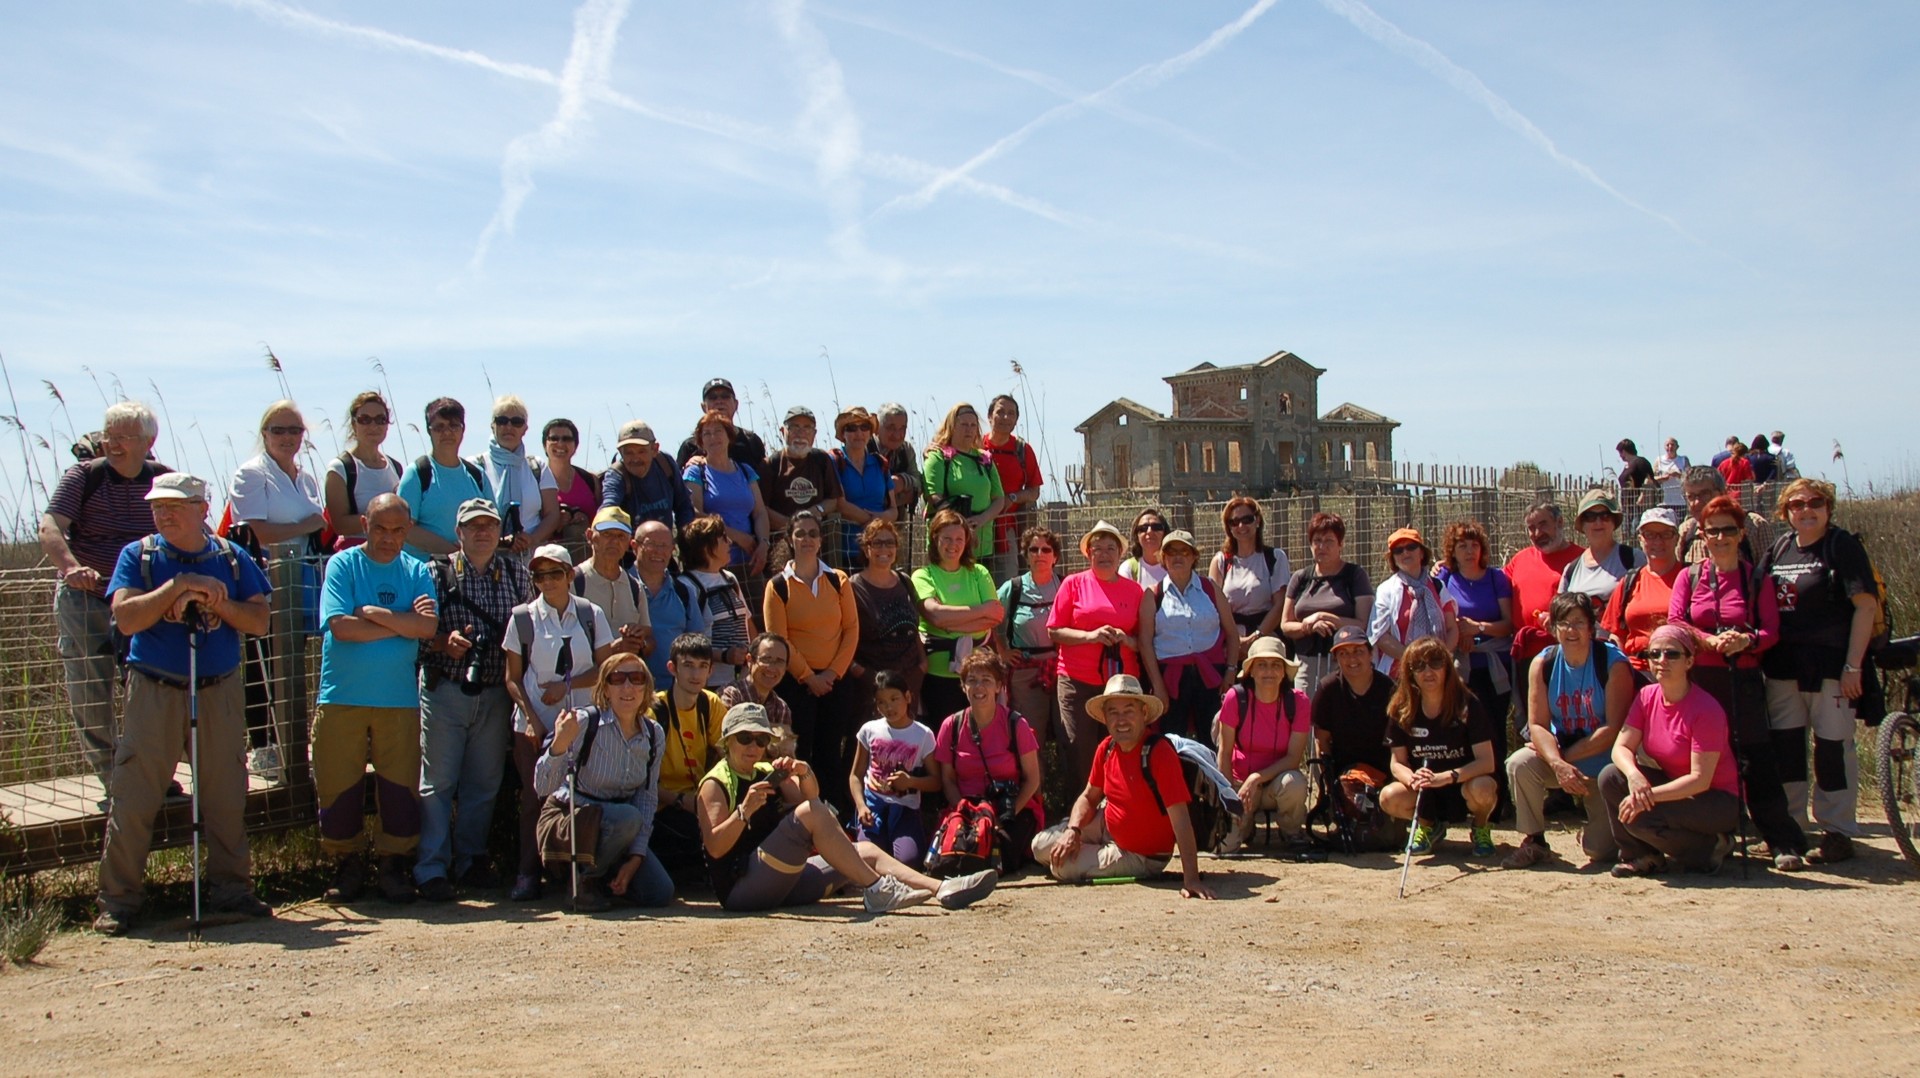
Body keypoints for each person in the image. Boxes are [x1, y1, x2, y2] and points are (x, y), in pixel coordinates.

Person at [92, 473, 274, 935]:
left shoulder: (232, 558)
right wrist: (178, 587)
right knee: (134, 796)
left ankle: (233, 888)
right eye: (157, 507)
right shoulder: (138, 556)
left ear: (201, 508)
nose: (164, 515)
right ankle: (118, 900)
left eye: (174, 506)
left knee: (226, 794)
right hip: (154, 689)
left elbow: (258, 620)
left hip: (218, 689)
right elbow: (126, 617)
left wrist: (216, 604)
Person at [696, 702, 995, 913]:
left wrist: (803, 773)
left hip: (782, 881)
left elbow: (809, 801)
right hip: (741, 890)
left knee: (865, 851)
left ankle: (940, 888)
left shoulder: (764, 770)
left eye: (761, 739)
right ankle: (877, 890)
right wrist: (744, 811)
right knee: (813, 815)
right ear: (727, 742)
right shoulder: (716, 782)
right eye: (745, 738)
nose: (753, 746)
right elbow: (715, 847)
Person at [1667, 495, 1806, 871]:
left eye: (1728, 530)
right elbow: (1676, 621)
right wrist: (1706, 641)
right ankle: (1713, 833)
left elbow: (1771, 630)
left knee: (1756, 758)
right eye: (1713, 531)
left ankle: (1780, 839)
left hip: (1742, 679)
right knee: (1704, 757)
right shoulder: (1689, 577)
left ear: (1741, 533)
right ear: (1702, 535)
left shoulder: (1756, 579)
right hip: (1700, 681)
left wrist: (1747, 640)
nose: (1720, 538)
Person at [313, 493, 439, 903]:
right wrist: (403, 623)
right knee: (338, 784)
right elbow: (341, 628)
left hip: (399, 700)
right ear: (365, 525)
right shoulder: (342, 565)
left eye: (397, 530)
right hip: (341, 696)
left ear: (408, 530)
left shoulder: (416, 570)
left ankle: (393, 866)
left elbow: (428, 629)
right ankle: (345, 864)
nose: (388, 538)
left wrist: (373, 613)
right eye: (380, 528)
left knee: (400, 788)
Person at [40, 400, 171, 788]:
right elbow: (50, 526)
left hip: (142, 602)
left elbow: (191, 530)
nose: (112, 444)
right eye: (109, 436)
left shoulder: (163, 480)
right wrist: (71, 568)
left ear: (148, 441)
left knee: (149, 689)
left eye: (124, 437)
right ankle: (115, 780)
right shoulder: (84, 477)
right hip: (88, 597)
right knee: (91, 692)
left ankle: (150, 774)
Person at [414, 498, 530, 901]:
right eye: (473, 526)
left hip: (497, 692)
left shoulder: (516, 573)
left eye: (490, 525)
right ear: (458, 532)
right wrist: (443, 643)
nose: (483, 532)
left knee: (484, 783)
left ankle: (471, 860)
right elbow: (415, 632)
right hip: (445, 688)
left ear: (499, 532)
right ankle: (431, 868)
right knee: (438, 782)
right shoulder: (434, 572)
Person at [1760, 477, 1880, 864]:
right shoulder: (1780, 548)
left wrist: (1853, 666)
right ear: (1785, 512)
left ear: (1828, 508)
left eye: (1815, 502)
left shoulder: (1841, 546)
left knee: (1832, 748)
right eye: (1797, 504)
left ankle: (1837, 830)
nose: (1806, 510)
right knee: (1787, 749)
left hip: (1831, 668)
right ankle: (1791, 829)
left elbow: (1865, 606)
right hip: (1784, 669)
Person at [1030, 674, 1215, 899]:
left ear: (1143, 713)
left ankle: (1089, 855)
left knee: (1062, 867)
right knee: (1039, 846)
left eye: (1128, 711)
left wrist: (1191, 879)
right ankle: (1087, 850)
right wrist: (1073, 830)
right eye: (1113, 712)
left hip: (1142, 855)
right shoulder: (1107, 747)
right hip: (1108, 827)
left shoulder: (1160, 753)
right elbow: (1089, 797)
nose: (1121, 720)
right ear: (1105, 718)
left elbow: (1181, 820)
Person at [502, 543, 615, 900]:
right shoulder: (522, 618)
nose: (547, 581)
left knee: (582, 797)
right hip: (534, 726)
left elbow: (605, 669)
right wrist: (532, 719)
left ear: (569, 575)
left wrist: (566, 686)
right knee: (535, 798)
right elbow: (512, 678)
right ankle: (528, 872)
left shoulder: (590, 614)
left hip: (583, 725)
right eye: (539, 575)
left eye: (554, 573)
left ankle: (575, 876)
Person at [532, 654, 675, 911]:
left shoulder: (654, 734)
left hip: (623, 825)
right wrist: (559, 745)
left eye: (636, 678)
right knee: (627, 817)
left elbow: (647, 797)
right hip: (573, 818)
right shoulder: (585, 721)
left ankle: (607, 878)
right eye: (617, 679)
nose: (627, 687)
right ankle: (583, 882)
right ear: (605, 688)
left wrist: (636, 857)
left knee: (659, 893)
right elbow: (542, 788)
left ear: (647, 688)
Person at [1599, 625, 1742, 876]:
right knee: (1611, 776)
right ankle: (1642, 856)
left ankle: (1711, 848)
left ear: (1689, 661)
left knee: (1643, 817)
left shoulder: (1706, 709)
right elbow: (1621, 747)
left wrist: (1646, 797)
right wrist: (1634, 776)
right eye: (1654, 654)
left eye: (1672, 654)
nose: (1661, 660)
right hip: (1677, 788)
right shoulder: (1646, 696)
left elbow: (1700, 780)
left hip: (1716, 800)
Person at [1501, 593, 1631, 868]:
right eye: (1564, 623)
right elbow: (1537, 725)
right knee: (1519, 763)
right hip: (1561, 759)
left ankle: (1594, 833)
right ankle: (1534, 841)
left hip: (1603, 768)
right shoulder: (1543, 663)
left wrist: (1564, 760)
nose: (1571, 630)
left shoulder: (1612, 663)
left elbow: (1613, 728)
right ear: (1553, 628)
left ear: (1591, 627)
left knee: (1599, 852)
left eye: (1579, 622)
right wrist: (1557, 764)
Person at [760, 508, 859, 787]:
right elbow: (779, 640)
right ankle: (801, 807)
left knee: (831, 752)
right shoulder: (777, 587)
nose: (807, 539)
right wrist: (809, 677)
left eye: (813, 533)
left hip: (835, 682)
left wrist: (831, 674)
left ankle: (832, 807)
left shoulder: (838, 580)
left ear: (821, 540)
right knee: (800, 753)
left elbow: (851, 629)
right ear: (790, 539)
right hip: (796, 685)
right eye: (800, 533)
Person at [1380, 636, 1498, 858]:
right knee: (1389, 797)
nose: (1428, 671)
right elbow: (1397, 762)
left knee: (1483, 788)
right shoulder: (1401, 708)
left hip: (1462, 783)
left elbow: (1486, 762)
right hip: (1424, 789)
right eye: (1419, 666)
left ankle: (1481, 827)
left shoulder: (1467, 704)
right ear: (1410, 673)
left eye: (1435, 663)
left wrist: (1445, 777)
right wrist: (1412, 779)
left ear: (1447, 667)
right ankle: (1428, 826)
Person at [1049, 520, 1147, 782]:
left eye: (1110, 548)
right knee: (1078, 746)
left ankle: (1119, 800)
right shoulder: (1073, 584)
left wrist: (1125, 639)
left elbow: (1144, 641)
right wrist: (1090, 636)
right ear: (1088, 553)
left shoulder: (1135, 591)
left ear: (1120, 553)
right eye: (1098, 549)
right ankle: (1082, 803)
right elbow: (1054, 631)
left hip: (1121, 684)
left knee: (1122, 744)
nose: (1104, 554)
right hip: (1076, 681)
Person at [932, 651, 1045, 869]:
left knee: (997, 854)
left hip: (1010, 809)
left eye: (986, 680)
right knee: (956, 853)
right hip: (966, 809)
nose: (979, 687)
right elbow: (948, 780)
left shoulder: (1016, 724)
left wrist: (1003, 817)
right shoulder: (951, 725)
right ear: (963, 686)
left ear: (999, 686)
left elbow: (1032, 780)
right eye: (972, 680)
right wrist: (965, 813)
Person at [1139, 528, 1238, 743]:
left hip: (1211, 676)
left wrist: (1230, 671)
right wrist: (1158, 685)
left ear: (1194, 556)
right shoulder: (1153, 594)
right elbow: (1145, 643)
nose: (1177, 557)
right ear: (1163, 558)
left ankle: (1211, 768)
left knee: (1213, 738)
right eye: (1171, 552)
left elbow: (1231, 633)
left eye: (1184, 552)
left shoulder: (1211, 589)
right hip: (1170, 679)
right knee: (1171, 740)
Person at [1214, 638, 1310, 854]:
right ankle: (1244, 828)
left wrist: (1255, 778)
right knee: (1227, 847)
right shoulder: (1235, 698)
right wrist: (1228, 797)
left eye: (1276, 665)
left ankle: (1292, 831)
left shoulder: (1299, 702)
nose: (1269, 671)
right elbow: (1225, 752)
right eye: (1262, 665)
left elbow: (1293, 758)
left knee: (1295, 782)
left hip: (1276, 783)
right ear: (1251, 671)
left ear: (1284, 672)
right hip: (1240, 785)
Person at [912, 507, 1002, 723]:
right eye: (947, 538)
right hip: (938, 675)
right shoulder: (923, 576)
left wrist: (951, 624)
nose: (953, 544)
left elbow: (996, 615)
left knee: (980, 730)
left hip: (979, 674)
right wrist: (981, 611)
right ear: (935, 539)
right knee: (944, 732)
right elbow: (935, 616)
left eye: (959, 539)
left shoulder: (978, 572)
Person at [648, 633, 727, 874]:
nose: (696, 674)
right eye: (688, 665)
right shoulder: (654, 711)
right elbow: (641, 781)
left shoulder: (711, 703)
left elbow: (728, 758)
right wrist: (681, 801)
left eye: (702, 666)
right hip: (662, 805)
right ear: (672, 668)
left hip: (699, 799)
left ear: (711, 671)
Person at [1507, 500, 1583, 732]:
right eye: (1531, 528)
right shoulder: (1520, 559)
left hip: (1567, 654)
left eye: (1543, 524)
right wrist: (1446, 567)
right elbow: (1489, 583)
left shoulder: (1582, 559)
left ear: (1560, 522)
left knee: (1569, 719)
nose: (1537, 533)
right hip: (1527, 656)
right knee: (1533, 723)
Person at [849, 671, 939, 865]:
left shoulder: (923, 734)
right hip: (873, 806)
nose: (889, 707)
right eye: (881, 702)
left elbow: (936, 781)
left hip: (905, 807)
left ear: (908, 697)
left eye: (894, 699)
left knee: (908, 861)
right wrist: (861, 806)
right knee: (868, 860)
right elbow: (855, 775)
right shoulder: (869, 730)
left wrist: (911, 782)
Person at [845, 519, 927, 725]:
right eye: (877, 543)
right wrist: (859, 671)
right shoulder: (852, 587)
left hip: (909, 680)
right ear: (866, 549)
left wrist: (922, 664)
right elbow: (842, 634)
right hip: (873, 684)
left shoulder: (904, 581)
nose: (884, 549)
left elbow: (914, 627)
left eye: (890, 543)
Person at [1280, 511, 1373, 692]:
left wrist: (1324, 617)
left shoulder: (1355, 576)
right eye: (1317, 541)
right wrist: (1309, 626)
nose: (1322, 546)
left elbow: (1363, 624)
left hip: (1346, 662)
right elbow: (1285, 625)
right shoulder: (1300, 578)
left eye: (1329, 541)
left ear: (1341, 544)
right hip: (1306, 663)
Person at [1436, 519, 1513, 733]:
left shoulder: (1496, 578)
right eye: (1462, 546)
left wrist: (1478, 628)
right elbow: (1438, 616)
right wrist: (1461, 633)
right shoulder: (1445, 578)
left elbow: (1508, 624)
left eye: (1475, 545)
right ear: (1452, 551)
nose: (1470, 551)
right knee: (1463, 729)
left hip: (1495, 666)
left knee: (1494, 728)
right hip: (1459, 665)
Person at [1599, 507, 1685, 682]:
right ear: (1640, 539)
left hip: (1679, 675)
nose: (1658, 541)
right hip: (1635, 674)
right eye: (1650, 535)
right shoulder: (1630, 581)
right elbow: (1614, 634)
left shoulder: (1689, 578)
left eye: (1665, 534)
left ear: (1677, 538)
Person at [396, 397, 487, 559]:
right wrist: (451, 552)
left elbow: (492, 523)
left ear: (463, 430)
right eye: (439, 427)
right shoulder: (417, 473)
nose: (447, 433)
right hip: (424, 569)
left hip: (470, 569)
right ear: (429, 431)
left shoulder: (477, 475)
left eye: (454, 425)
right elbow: (403, 528)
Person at [682, 409, 769, 576]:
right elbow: (695, 513)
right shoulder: (695, 472)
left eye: (718, 431)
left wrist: (764, 544)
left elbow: (760, 512)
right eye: (707, 434)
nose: (713, 437)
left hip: (750, 561)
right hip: (713, 564)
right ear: (701, 441)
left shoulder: (746, 471)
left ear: (729, 436)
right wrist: (737, 536)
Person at [997, 524, 1061, 749]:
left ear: (1055, 556)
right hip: (1025, 674)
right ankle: (1035, 774)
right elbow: (990, 618)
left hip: (1062, 671)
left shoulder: (1065, 586)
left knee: (1068, 735)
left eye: (1046, 549)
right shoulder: (1013, 588)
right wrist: (1002, 652)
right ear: (1026, 555)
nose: (1039, 554)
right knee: (1031, 738)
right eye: (1033, 549)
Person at [229, 399, 325, 548]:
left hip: (307, 561)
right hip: (267, 562)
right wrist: (305, 527)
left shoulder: (307, 480)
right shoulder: (251, 474)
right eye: (278, 431)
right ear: (265, 434)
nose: (287, 436)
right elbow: (251, 533)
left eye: (294, 430)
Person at [472, 395, 559, 557]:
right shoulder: (475, 466)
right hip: (486, 557)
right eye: (502, 421)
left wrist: (532, 539)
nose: (509, 427)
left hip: (531, 557)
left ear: (525, 428)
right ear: (492, 425)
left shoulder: (537, 467)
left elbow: (552, 514)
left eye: (516, 422)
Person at [922, 402, 1008, 562]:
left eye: (973, 425)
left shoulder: (985, 459)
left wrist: (981, 519)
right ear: (952, 426)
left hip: (982, 545)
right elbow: (934, 496)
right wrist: (962, 526)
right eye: (963, 424)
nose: (969, 429)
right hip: (947, 546)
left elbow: (999, 499)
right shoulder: (938, 457)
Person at [1368, 527, 1457, 679]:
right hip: (1398, 675)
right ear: (1393, 559)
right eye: (1398, 550)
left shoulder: (1438, 586)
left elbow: (1452, 628)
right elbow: (1380, 636)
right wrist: (1415, 661)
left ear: (1421, 553)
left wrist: (1441, 658)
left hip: (1437, 673)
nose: (1405, 553)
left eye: (1411, 547)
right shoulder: (1385, 590)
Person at [1208, 497, 1290, 656]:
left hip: (1266, 635)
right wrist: (1234, 639)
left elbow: (1279, 605)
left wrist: (1256, 637)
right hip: (1231, 638)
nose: (1241, 526)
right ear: (1228, 527)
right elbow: (1214, 609)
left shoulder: (1275, 558)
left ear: (1257, 520)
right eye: (1234, 522)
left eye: (1247, 520)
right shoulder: (1221, 562)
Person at [679, 514, 754, 686]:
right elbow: (685, 643)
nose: (730, 542)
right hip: (709, 684)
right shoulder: (687, 586)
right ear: (707, 548)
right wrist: (724, 656)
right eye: (724, 538)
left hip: (742, 682)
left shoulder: (730, 578)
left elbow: (747, 623)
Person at [1311, 626, 1394, 777]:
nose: (1352, 659)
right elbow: (1322, 741)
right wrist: (1329, 782)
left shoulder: (1388, 688)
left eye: (1358, 651)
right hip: (1343, 773)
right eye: (1343, 653)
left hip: (1385, 772)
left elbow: (1398, 742)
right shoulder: (1327, 689)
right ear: (1336, 659)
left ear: (1371, 654)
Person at [634, 519, 707, 689]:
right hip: (631, 689)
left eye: (664, 546)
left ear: (673, 550)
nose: (658, 551)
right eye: (651, 544)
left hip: (676, 692)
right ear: (634, 546)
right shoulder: (621, 587)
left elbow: (696, 643)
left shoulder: (684, 592)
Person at [322, 391, 402, 545]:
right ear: (354, 424)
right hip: (356, 551)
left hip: (392, 549)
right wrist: (384, 515)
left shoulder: (395, 467)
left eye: (380, 420)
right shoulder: (340, 469)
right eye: (365, 420)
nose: (373, 426)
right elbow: (340, 525)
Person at [572, 507, 652, 660]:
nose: (614, 542)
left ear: (628, 543)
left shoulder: (635, 587)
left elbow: (649, 638)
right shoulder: (573, 582)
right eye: (607, 534)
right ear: (590, 536)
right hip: (585, 674)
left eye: (621, 536)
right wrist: (611, 650)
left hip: (625, 673)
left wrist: (638, 643)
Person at [758, 405, 843, 537]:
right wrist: (794, 527)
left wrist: (817, 510)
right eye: (794, 427)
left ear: (814, 434)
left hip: (817, 541)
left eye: (807, 428)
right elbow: (762, 508)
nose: (801, 433)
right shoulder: (771, 464)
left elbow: (833, 500)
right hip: (781, 540)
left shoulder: (822, 459)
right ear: (783, 431)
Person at [601, 419, 696, 535]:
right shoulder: (616, 475)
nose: (635, 459)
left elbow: (683, 504)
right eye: (629, 453)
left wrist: (686, 536)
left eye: (641, 451)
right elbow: (608, 509)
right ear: (620, 453)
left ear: (654, 449)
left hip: (664, 543)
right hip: (631, 544)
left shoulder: (665, 464)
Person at [984, 394, 1045, 577]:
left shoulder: (1022, 450)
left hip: (1008, 530)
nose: (1005, 417)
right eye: (1000, 412)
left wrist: (1013, 498)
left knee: (1007, 581)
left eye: (1011, 413)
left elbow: (1034, 491)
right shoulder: (975, 446)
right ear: (990, 416)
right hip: (978, 526)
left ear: (1016, 420)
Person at [829, 407, 895, 567]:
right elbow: (840, 504)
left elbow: (893, 510)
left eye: (864, 427)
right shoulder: (834, 461)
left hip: (880, 550)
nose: (859, 433)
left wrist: (874, 524)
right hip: (845, 551)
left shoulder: (880, 463)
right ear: (843, 433)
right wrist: (873, 522)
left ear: (870, 432)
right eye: (851, 428)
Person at [717, 632, 798, 759]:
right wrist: (775, 733)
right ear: (750, 660)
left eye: (779, 662)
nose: (771, 667)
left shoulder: (781, 707)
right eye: (766, 659)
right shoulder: (731, 695)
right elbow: (726, 745)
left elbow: (785, 756)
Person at [1678, 466, 1773, 565]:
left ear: (1723, 493)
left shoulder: (1754, 526)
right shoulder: (1685, 531)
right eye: (1691, 497)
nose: (1697, 502)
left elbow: (1769, 569)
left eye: (1705, 494)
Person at [675, 377, 768, 478]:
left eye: (725, 396)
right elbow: (677, 483)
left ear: (736, 404)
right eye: (712, 397)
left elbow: (764, 480)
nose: (719, 401)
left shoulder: (751, 441)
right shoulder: (691, 446)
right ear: (703, 407)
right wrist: (687, 467)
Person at [536, 418, 599, 564]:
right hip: (547, 561)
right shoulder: (535, 480)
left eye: (567, 439)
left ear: (575, 446)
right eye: (554, 438)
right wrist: (555, 521)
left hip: (585, 560)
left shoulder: (590, 480)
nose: (560, 443)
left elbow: (600, 520)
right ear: (545, 445)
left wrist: (583, 518)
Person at [1559, 489, 1635, 610]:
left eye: (1605, 516)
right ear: (1582, 524)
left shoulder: (1632, 559)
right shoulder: (1571, 570)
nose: (1598, 522)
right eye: (1590, 517)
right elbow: (1561, 613)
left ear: (1614, 522)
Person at [875, 402, 924, 516]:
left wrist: (902, 481)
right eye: (891, 428)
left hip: (898, 524)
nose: (897, 435)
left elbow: (919, 485)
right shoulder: (865, 449)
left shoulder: (906, 450)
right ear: (877, 427)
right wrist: (900, 495)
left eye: (902, 428)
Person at [1117, 508, 1170, 589]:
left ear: (1165, 533)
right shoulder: (1128, 569)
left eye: (1156, 527)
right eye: (1143, 528)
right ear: (1136, 536)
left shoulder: (1174, 567)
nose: (1149, 531)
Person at [1651, 437, 1690, 509]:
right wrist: (1663, 478)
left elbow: (1690, 477)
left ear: (1677, 447)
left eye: (1672, 445)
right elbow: (1652, 478)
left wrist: (1678, 475)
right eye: (1667, 445)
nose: (1670, 447)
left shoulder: (1683, 460)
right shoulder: (1659, 460)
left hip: (1680, 501)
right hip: (1664, 501)